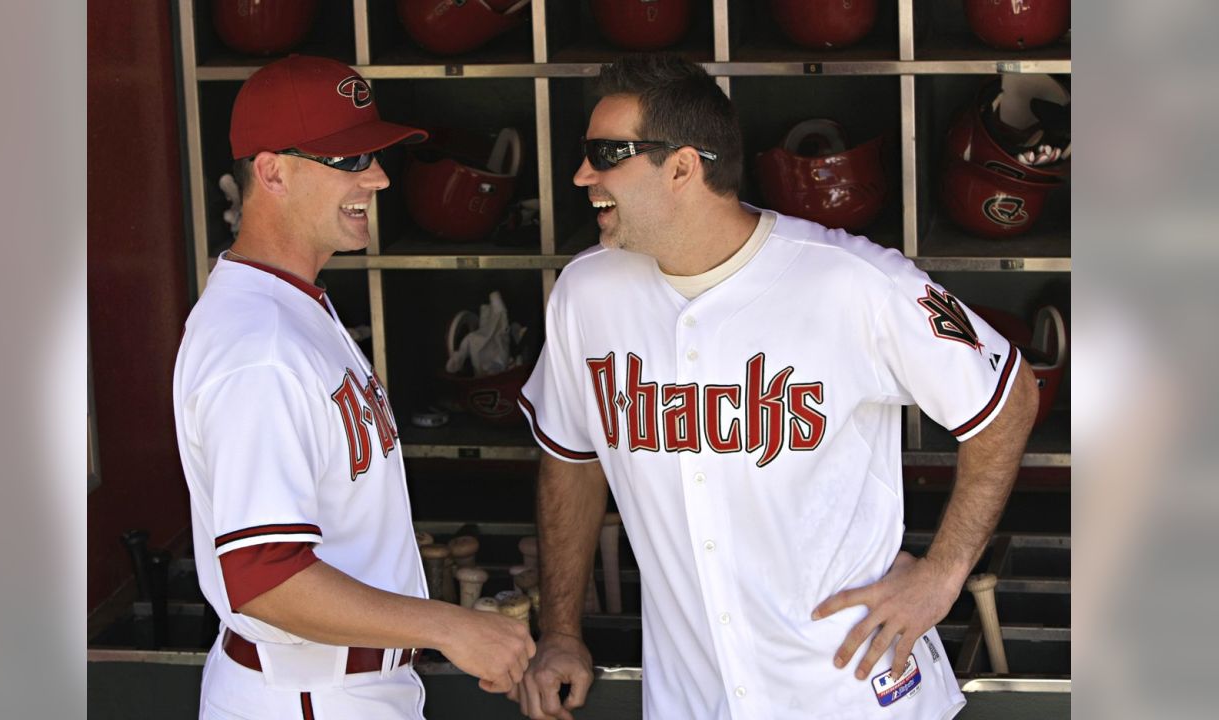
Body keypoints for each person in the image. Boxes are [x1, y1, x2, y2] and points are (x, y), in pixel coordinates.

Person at [509, 54, 1038, 720]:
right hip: (692, 700)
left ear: (682, 167)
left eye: (606, 154)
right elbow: (571, 460)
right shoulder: (586, 294)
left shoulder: (850, 280)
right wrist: (560, 632)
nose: (583, 175)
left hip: (848, 693)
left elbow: (1008, 397)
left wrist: (944, 573)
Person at [173, 55, 535, 720]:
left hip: (341, 686)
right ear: (272, 171)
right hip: (307, 692)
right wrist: (450, 626)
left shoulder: (292, 306)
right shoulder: (260, 347)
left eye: (372, 154)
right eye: (348, 159)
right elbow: (266, 581)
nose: (378, 177)